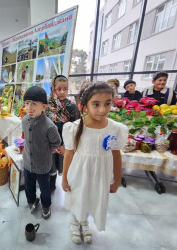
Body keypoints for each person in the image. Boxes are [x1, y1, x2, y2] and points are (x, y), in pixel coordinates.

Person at [62, 82, 128, 244]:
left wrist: (117, 179)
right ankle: (74, 222)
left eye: (107, 103)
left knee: (92, 198)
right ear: (84, 106)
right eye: (96, 104)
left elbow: (116, 154)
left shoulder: (115, 128)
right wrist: (64, 178)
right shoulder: (75, 128)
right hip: (79, 172)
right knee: (78, 196)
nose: (103, 110)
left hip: (101, 173)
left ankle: (84, 222)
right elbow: (68, 154)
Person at [22, 86, 62, 219]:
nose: (29, 107)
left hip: (43, 165)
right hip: (28, 162)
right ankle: (32, 201)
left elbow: (56, 143)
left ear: (43, 107)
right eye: (27, 103)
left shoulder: (49, 126)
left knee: (45, 189)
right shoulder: (24, 121)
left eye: (34, 103)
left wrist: (49, 149)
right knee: (29, 185)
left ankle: (46, 205)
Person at [45, 75, 80, 191]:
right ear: (53, 89)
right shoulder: (47, 105)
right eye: (59, 89)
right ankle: (50, 186)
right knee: (51, 165)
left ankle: (68, 185)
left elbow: (76, 128)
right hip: (49, 141)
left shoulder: (72, 107)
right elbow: (43, 124)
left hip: (65, 143)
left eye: (65, 89)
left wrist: (66, 146)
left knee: (64, 164)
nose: (62, 92)